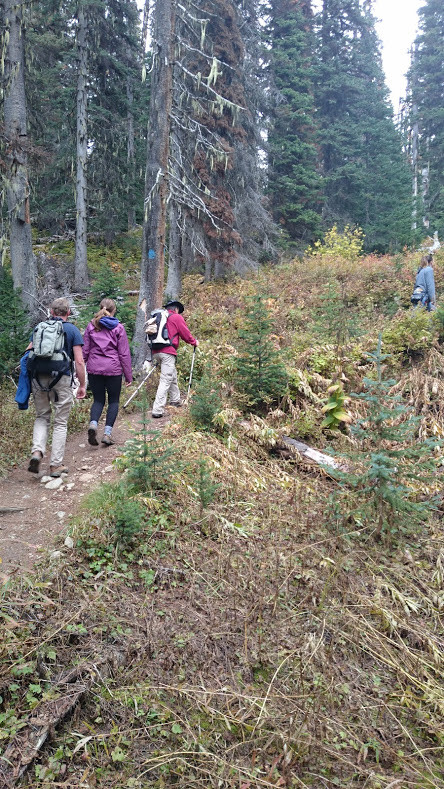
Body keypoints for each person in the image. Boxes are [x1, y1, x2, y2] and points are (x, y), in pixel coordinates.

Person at [28, 297, 86, 477]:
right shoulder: (72, 330)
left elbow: (28, 353)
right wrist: (82, 384)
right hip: (60, 379)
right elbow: (79, 361)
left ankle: (37, 452)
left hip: (38, 379)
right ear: (68, 312)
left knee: (42, 417)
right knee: (60, 422)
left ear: (51, 312)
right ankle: (55, 465)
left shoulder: (40, 328)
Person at [83, 298, 132, 446]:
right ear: (114, 310)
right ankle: (107, 434)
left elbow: (85, 350)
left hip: (94, 369)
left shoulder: (91, 326)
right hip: (113, 370)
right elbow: (124, 354)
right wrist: (128, 375)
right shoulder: (118, 328)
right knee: (114, 401)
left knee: (98, 400)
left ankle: (93, 424)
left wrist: (81, 367)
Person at [151, 300, 199, 418]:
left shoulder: (159, 317)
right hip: (168, 351)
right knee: (166, 379)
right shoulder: (176, 317)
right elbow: (185, 334)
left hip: (156, 351)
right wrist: (194, 342)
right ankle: (157, 409)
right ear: (176, 309)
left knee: (172, 374)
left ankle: (175, 400)